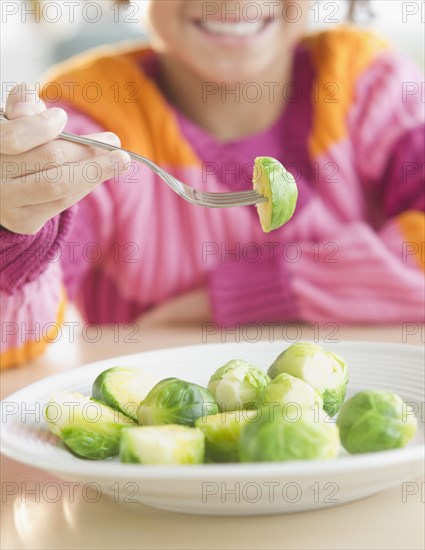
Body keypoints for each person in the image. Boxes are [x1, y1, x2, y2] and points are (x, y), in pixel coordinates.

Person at [1, 0, 423, 369]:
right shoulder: (88, 125)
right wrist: (13, 234)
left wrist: (260, 294)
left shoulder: (373, 87)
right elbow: (16, 340)